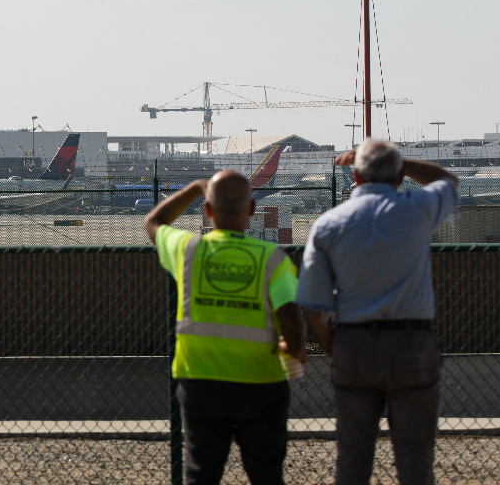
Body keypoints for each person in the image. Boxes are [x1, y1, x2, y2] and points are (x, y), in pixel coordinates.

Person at [296, 139, 458, 485]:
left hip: (353, 344)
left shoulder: (327, 225)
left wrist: (336, 350)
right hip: (411, 344)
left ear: (355, 175)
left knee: (352, 461)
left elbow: (315, 309)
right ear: (399, 176)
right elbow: (447, 180)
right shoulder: (418, 209)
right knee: (416, 461)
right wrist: (400, 162)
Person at [144, 170, 307, 485]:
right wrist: (296, 347)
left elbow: (154, 222)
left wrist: (195, 188)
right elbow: (290, 316)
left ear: (207, 209)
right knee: (267, 474)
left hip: (200, 381)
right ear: (252, 209)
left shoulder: (188, 250)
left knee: (202, 473)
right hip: (261, 384)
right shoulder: (272, 259)